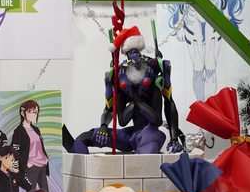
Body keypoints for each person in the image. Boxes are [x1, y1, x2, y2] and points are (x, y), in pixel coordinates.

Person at [63, 26, 184, 155]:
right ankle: (64, 136)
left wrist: (174, 139)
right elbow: (116, 115)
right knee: (85, 137)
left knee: (145, 156)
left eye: (136, 52)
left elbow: (163, 111)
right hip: (130, 135)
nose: (135, 57)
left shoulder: (153, 74)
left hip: (149, 134)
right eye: (130, 53)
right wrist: (103, 126)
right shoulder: (120, 76)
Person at [11, 100, 50, 192]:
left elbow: (39, 146)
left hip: (42, 165)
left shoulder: (36, 129)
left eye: (35, 112)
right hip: (31, 167)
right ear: (22, 113)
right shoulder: (19, 131)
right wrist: (25, 164)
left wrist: (45, 157)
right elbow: (15, 152)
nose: (33, 114)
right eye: (30, 111)